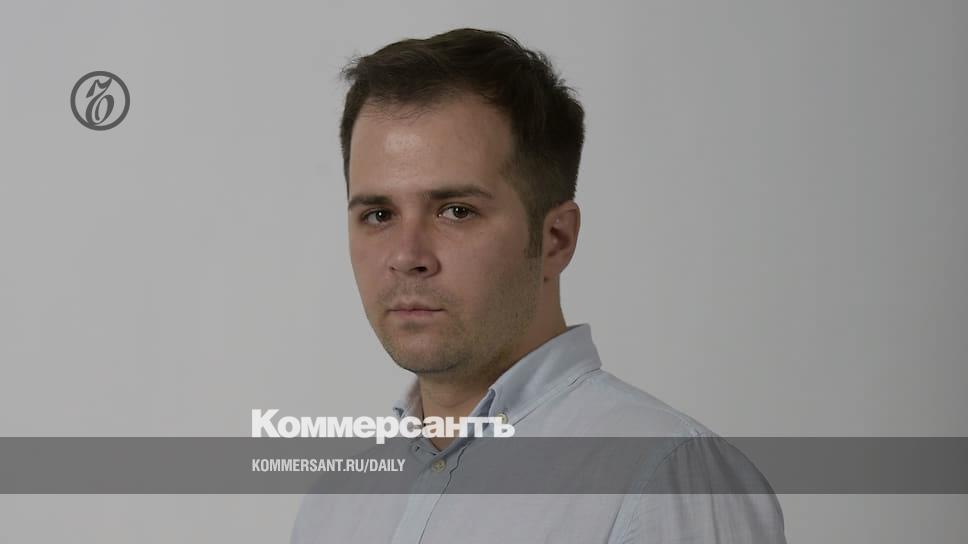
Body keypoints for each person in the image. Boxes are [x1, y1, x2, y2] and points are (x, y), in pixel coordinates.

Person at [292, 27, 787, 543]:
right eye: (378, 214)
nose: (406, 256)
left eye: (456, 211)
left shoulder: (666, 482)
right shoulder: (336, 506)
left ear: (555, 239)